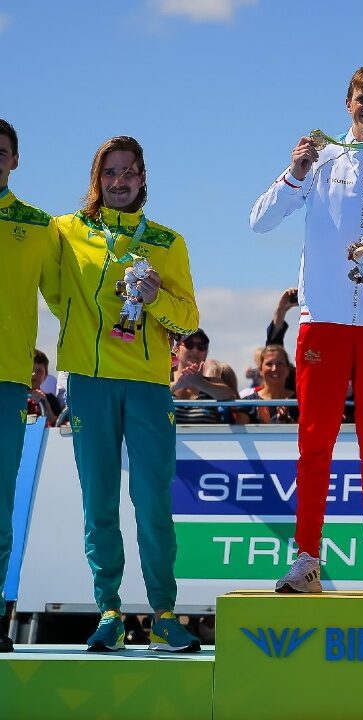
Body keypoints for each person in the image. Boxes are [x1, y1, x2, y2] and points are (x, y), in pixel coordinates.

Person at [250, 64, 363, 594]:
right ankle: (306, 559)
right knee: (314, 443)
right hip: (321, 322)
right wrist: (295, 173)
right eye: (361, 98)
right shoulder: (319, 159)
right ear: (346, 103)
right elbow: (259, 221)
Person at [53, 135, 201, 652]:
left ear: (143, 178)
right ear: (97, 179)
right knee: (99, 502)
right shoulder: (66, 232)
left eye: (130, 172)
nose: (120, 182)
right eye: (110, 173)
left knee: (152, 501)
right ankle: (109, 611)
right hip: (89, 383)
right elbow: (52, 291)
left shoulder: (167, 240)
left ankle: (164, 613)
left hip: (146, 386)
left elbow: (188, 319)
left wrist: (157, 296)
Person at [0, 118, 59, 652]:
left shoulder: (38, 225)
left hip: (6, 380)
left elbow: (65, 299)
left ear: (14, 160)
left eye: (1, 151)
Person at [171, 329, 238, 423]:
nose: (195, 350)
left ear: (206, 353)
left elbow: (231, 398)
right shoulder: (163, 380)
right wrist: (175, 386)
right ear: (176, 349)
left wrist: (200, 383)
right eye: (189, 344)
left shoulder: (213, 383)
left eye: (201, 346)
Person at [236, 345, 298, 424]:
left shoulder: (300, 403)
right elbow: (239, 436)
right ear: (260, 370)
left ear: (288, 369)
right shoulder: (247, 405)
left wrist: (287, 421)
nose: (274, 368)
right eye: (269, 364)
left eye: (279, 364)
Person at [27, 350, 62, 426]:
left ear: (45, 376)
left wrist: (45, 403)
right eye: (30, 369)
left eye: (39, 371)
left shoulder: (50, 399)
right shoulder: (14, 397)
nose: (34, 374)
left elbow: (57, 425)